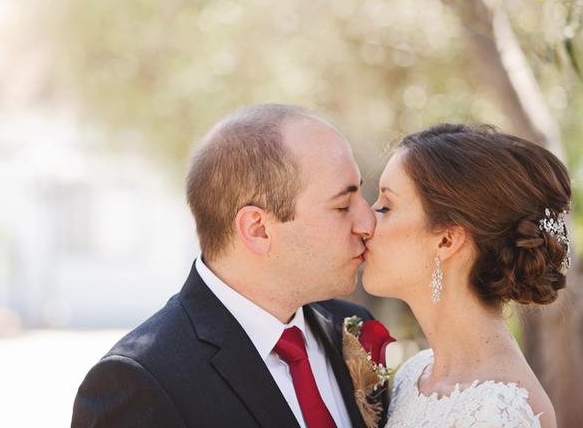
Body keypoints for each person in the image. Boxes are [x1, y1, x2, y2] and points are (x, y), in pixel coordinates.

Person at [71, 104, 390, 428]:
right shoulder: (141, 382)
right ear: (257, 229)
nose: (367, 221)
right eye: (342, 205)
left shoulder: (355, 329)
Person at [363, 123, 572, 428]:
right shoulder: (415, 373)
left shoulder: (498, 414)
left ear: (447, 240)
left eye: (386, 206)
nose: (365, 222)